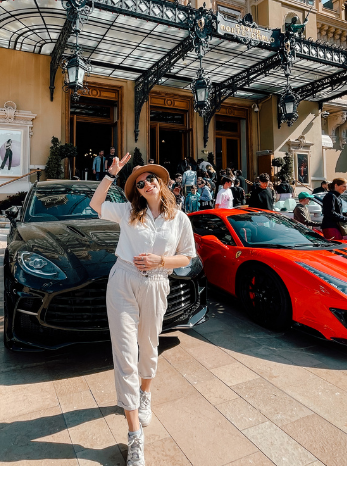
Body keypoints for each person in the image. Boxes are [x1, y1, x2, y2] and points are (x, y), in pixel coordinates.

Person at [90, 152, 197, 466]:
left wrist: (160, 261)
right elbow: (96, 205)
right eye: (139, 183)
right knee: (124, 353)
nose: (146, 183)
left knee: (149, 347)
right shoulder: (126, 212)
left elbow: (187, 258)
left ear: (161, 183)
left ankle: (145, 393)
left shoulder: (179, 219)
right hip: (122, 279)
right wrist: (111, 174)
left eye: (150, 178)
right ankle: (135, 436)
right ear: (135, 191)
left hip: (156, 283)